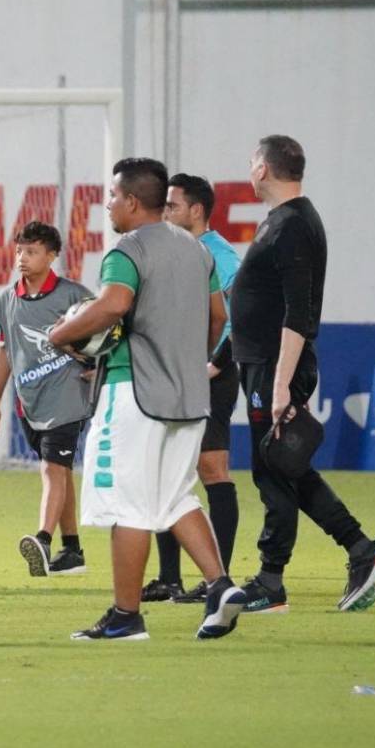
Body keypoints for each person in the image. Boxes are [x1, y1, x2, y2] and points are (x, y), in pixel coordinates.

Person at [49, 157, 245, 641]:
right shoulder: (196, 251)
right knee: (174, 497)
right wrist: (186, 358)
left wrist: (60, 335)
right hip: (189, 396)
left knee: (127, 505)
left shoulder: (128, 249)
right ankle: (220, 586)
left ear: (133, 201)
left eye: (113, 195)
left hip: (133, 392)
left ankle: (125, 615)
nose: (108, 203)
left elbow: (114, 303)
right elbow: (218, 316)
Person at [230, 135, 375, 613]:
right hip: (262, 366)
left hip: (274, 370)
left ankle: (271, 581)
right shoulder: (283, 222)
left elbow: (298, 314)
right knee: (285, 467)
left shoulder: (295, 225)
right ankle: (363, 551)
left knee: (273, 472)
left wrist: (281, 384)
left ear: (264, 169)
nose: (249, 170)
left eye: (251, 163)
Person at [142, 173, 243, 604]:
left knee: (212, 470)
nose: (165, 212)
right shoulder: (170, 250)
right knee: (166, 469)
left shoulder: (222, 256)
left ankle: (216, 575)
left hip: (210, 375)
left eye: (173, 206)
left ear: (196, 210)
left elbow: (237, 320)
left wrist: (212, 365)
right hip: (173, 373)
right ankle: (169, 578)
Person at [0, 222, 93, 577]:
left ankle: (43, 541)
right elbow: (6, 353)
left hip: (68, 397)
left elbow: (107, 335)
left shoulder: (74, 296)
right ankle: (73, 550)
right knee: (59, 472)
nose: (22, 258)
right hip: (29, 402)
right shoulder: (5, 301)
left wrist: (94, 363)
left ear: (52, 256)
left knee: (51, 469)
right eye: (19, 250)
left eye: (31, 251)